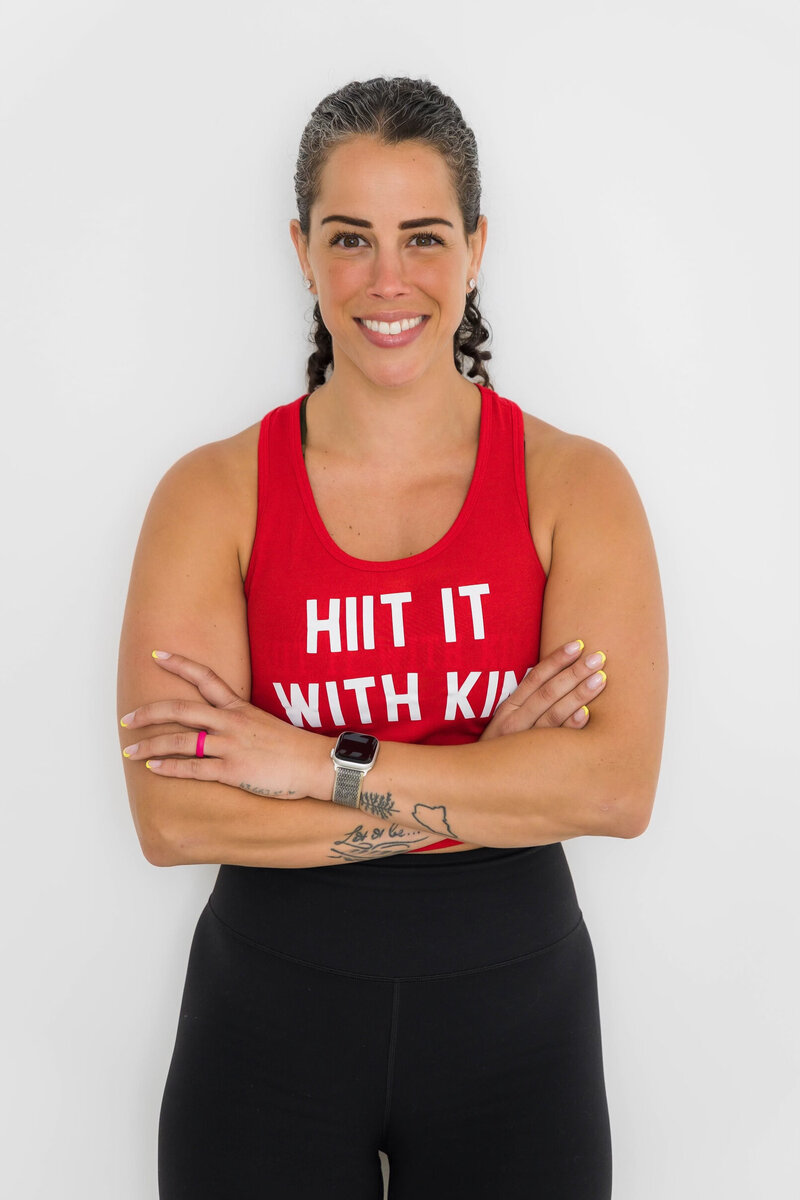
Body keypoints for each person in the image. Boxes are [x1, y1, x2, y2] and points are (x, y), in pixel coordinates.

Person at [118, 77, 667, 1199]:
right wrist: (488, 783)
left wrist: (311, 765)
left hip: (516, 1031)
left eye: (421, 236)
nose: (387, 280)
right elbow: (173, 818)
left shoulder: (574, 486)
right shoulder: (212, 495)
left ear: (473, 246)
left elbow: (612, 791)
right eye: (348, 238)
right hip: (264, 1027)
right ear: (301, 249)